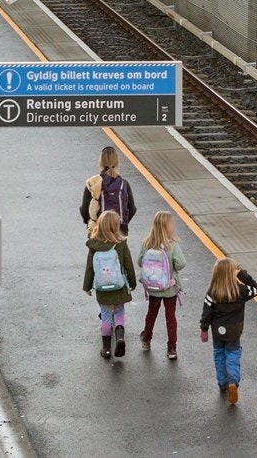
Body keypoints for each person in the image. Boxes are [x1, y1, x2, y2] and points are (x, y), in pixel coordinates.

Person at [199, 257, 257, 404]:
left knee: (219, 354)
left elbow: (206, 313)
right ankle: (232, 381)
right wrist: (242, 274)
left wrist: (204, 329)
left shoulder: (212, 293)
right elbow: (255, 289)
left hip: (218, 331)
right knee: (233, 354)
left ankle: (222, 383)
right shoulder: (240, 291)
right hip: (234, 330)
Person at [82, 210, 136, 360]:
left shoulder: (94, 245)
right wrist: (132, 283)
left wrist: (87, 286)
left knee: (105, 316)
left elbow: (90, 267)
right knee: (119, 312)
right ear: (115, 227)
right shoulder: (120, 243)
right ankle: (120, 338)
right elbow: (128, 264)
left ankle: (106, 348)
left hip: (102, 289)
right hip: (119, 286)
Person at [137, 210, 186, 359]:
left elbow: (140, 261)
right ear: (168, 227)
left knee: (151, 313)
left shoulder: (147, 244)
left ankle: (147, 339)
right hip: (169, 287)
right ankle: (172, 348)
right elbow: (181, 263)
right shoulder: (173, 245)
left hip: (153, 288)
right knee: (170, 316)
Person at [80, 145, 136, 238]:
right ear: (117, 162)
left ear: (100, 162)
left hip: (98, 232)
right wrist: (122, 225)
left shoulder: (94, 183)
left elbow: (84, 210)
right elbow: (132, 209)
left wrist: (91, 222)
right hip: (119, 233)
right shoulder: (124, 184)